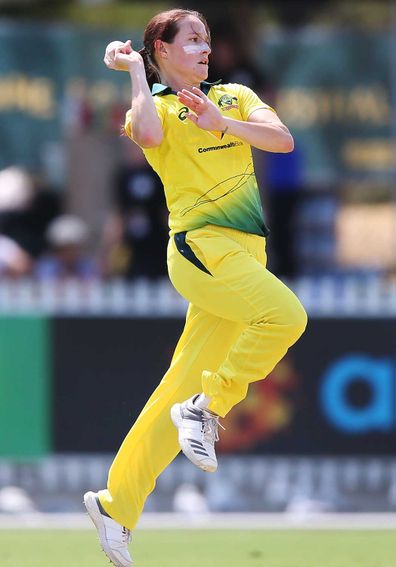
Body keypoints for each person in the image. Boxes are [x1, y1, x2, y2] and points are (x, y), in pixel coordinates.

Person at [84, 9, 307, 567]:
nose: (205, 49)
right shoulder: (151, 106)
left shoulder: (232, 96)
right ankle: (210, 406)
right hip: (201, 250)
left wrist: (221, 123)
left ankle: (116, 505)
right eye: (192, 40)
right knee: (287, 317)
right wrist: (136, 73)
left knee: (171, 392)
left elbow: (281, 141)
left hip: (244, 256)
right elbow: (150, 135)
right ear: (161, 49)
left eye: (207, 39)